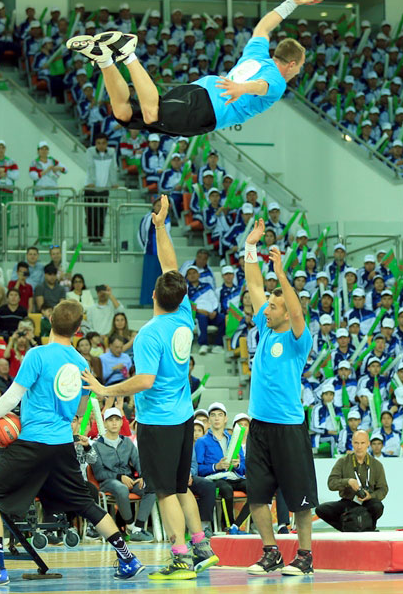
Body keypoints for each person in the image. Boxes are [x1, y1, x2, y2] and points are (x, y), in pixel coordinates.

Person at [82, 195, 215, 580]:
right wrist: (160, 226)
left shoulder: (149, 334)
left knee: (165, 491)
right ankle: (201, 547)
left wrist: (107, 391)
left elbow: (145, 380)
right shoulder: (184, 316)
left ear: (155, 295)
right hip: (184, 415)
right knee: (181, 485)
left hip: (158, 419)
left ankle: (178, 556)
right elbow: (171, 265)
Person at [0, 300, 146, 583]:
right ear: (79, 329)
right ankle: (127, 557)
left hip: (33, 443)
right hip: (62, 444)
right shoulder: (81, 363)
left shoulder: (37, 354)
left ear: (50, 319)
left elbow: (13, 396)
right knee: (85, 504)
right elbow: (79, 411)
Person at [67, 0, 309, 138]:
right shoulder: (277, 80)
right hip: (208, 109)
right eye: (300, 66)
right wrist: (242, 89)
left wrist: (291, 2)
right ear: (291, 63)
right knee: (152, 113)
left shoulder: (257, 54)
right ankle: (128, 55)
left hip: (200, 92)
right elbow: (262, 86)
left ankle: (103, 59)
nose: (299, 70)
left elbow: (263, 28)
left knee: (124, 114)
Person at [240, 219, 316, 576]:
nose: (264, 310)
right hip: (259, 426)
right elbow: (254, 282)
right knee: (257, 494)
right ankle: (270, 552)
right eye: (267, 306)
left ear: (285, 312)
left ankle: (304, 555)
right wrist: (250, 246)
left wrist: (282, 275)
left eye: (272, 307)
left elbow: (297, 310)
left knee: (300, 497)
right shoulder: (266, 328)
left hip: (288, 427)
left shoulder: (298, 339)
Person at [91, 407, 156, 541]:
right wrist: (119, 477)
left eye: (117, 420)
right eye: (110, 420)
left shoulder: (127, 442)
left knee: (150, 487)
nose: (114, 423)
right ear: (104, 423)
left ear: (122, 423)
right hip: (108, 482)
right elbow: (99, 473)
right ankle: (130, 525)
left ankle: (138, 528)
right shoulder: (97, 446)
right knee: (121, 488)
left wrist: (143, 476)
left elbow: (138, 461)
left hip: (129, 480)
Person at [194, 402, 250, 533]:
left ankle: (236, 526)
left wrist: (237, 465)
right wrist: (215, 466)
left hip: (234, 476)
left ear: (226, 419)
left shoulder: (234, 439)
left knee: (257, 490)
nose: (217, 418)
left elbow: (244, 467)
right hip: (215, 478)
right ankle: (228, 526)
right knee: (226, 489)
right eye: (213, 415)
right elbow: (198, 469)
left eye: (220, 415)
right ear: (209, 420)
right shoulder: (202, 441)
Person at [316, 430, 387, 532]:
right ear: (352, 443)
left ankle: (367, 527)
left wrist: (370, 496)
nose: (359, 447)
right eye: (356, 443)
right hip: (348, 503)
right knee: (321, 509)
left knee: (377, 506)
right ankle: (348, 527)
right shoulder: (343, 461)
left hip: (368, 502)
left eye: (362, 443)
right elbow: (331, 483)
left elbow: (383, 489)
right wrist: (347, 482)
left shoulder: (376, 465)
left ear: (368, 444)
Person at [28, 142, 65, 246]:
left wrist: (58, 169)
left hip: (53, 193)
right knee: (42, 217)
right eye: (41, 149)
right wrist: (46, 171)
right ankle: (42, 239)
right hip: (40, 193)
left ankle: (49, 238)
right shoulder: (34, 162)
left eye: (46, 149)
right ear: (38, 151)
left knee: (51, 217)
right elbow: (33, 176)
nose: (44, 151)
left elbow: (65, 169)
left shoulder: (52, 160)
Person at [84, 135, 119, 243]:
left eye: (103, 143)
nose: (101, 145)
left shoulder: (111, 152)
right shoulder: (90, 152)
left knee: (101, 216)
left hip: (103, 189)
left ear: (107, 143)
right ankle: (91, 239)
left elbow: (113, 167)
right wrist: (91, 182)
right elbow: (90, 167)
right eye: (98, 143)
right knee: (90, 216)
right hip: (90, 190)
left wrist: (114, 182)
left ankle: (99, 238)